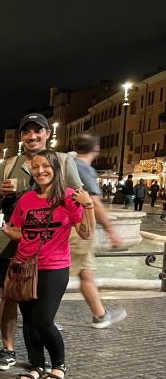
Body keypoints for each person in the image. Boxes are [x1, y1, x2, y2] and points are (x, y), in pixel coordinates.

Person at [0, 113, 84, 371]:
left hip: (47, 246)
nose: (32, 136)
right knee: (9, 298)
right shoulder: (9, 164)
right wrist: (1, 195)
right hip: (11, 241)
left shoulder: (62, 161)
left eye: (37, 131)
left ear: (47, 134)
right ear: (21, 137)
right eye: (27, 132)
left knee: (38, 307)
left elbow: (78, 198)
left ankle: (45, 358)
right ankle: (8, 349)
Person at [3, 150, 95, 379]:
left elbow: (86, 233)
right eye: (35, 166)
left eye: (45, 166)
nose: (40, 170)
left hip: (53, 267)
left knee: (43, 319)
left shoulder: (70, 197)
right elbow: (17, 230)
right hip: (24, 265)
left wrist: (89, 207)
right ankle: (36, 365)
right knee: (29, 320)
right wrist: (7, 231)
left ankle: (58, 364)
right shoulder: (26, 199)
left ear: (55, 168)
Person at [70, 134, 127, 328]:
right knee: (58, 274)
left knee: (86, 273)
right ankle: (39, 317)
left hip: (76, 231)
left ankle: (100, 315)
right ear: (96, 150)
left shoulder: (71, 164)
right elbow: (93, 201)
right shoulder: (83, 168)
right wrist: (111, 230)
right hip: (78, 231)